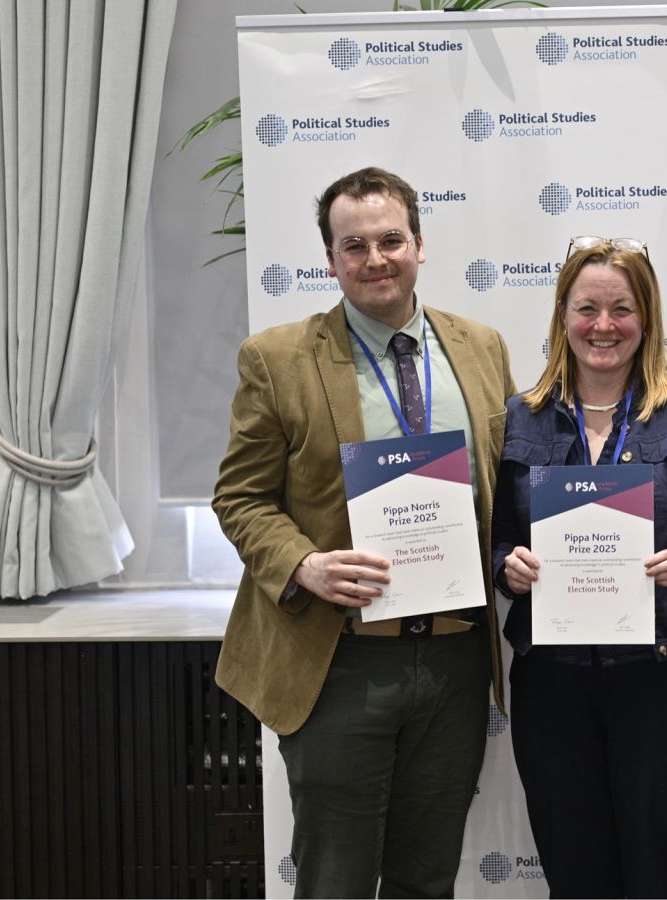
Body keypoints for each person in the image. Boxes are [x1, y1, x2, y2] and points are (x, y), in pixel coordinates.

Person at [213, 166, 515, 898]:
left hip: (452, 660)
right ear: (331, 261)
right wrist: (304, 565)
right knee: (335, 883)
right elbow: (240, 497)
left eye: (390, 240)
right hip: (339, 660)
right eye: (355, 246)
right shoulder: (278, 359)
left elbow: (511, 486)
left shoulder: (481, 347)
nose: (376, 259)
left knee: (426, 878)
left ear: (419, 244)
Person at [492, 236, 667, 898]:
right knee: (576, 880)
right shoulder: (519, 420)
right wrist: (507, 569)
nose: (603, 326)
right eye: (586, 308)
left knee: (663, 878)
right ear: (562, 315)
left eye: (621, 309)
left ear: (648, 318)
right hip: (554, 690)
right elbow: (492, 542)